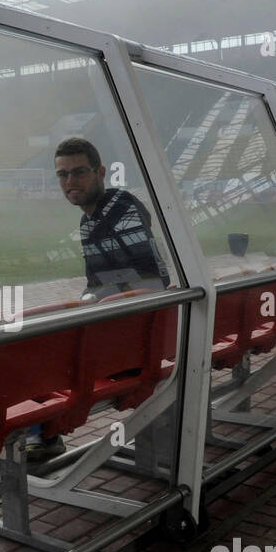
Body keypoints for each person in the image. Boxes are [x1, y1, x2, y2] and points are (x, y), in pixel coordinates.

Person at [26, 136, 169, 462]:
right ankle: (40, 433)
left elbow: (151, 283)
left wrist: (88, 309)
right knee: (45, 336)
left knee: (32, 349)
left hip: (132, 348)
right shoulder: (92, 219)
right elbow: (99, 285)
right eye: (63, 175)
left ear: (100, 172)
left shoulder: (121, 209)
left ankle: (41, 436)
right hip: (130, 338)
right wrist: (85, 305)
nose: (70, 182)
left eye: (79, 172)